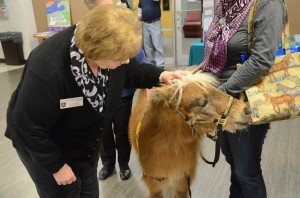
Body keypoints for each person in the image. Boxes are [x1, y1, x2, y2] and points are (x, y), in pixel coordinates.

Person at [5, 5, 189, 198]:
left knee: (88, 191)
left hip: (83, 145)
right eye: (120, 59)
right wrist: (56, 166)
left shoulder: (111, 54)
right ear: (96, 53)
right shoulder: (48, 69)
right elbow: (27, 126)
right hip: (44, 147)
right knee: (64, 192)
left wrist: (163, 75)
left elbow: (134, 70)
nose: (126, 62)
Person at [198, 0, 286, 197]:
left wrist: (219, 94)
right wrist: (196, 72)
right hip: (223, 102)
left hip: (245, 100)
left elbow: (261, 60)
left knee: (247, 172)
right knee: (233, 163)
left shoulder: (268, 4)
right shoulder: (225, 5)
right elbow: (213, 53)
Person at [84, 0, 147, 181]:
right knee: (103, 132)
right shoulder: (97, 36)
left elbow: (141, 67)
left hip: (123, 95)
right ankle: (108, 164)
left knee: (121, 130)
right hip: (100, 95)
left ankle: (124, 164)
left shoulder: (127, 35)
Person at [138, 0, 165, 68]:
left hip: (155, 22)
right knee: (147, 45)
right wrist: (139, 18)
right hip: (145, 23)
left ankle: (160, 64)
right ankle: (150, 63)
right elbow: (140, 7)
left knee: (157, 44)